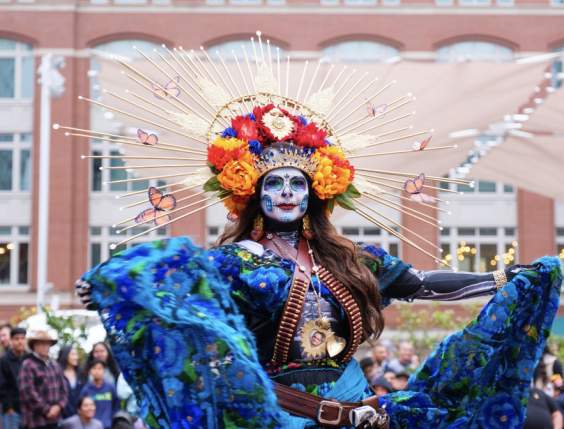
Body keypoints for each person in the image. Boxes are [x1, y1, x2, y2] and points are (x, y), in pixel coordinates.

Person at [70, 40, 562, 429]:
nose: (286, 192)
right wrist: (113, 287)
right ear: (252, 194)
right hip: (280, 414)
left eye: (297, 184)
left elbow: (420, 283)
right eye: (274, 183)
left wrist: (501, 279)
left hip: (360, 412)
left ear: (315, 193)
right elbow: (178, 291)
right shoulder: (235, 260)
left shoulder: (348, 257)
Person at [18, 330, 68, 429]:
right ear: (34, 345)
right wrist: (46, 410)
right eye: (42, 343)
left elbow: (64, 389)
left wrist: (59, 407)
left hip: (55, 420)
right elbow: (28, 392)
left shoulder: (55, 364)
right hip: (35, 421)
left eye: (47, 344)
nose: (45, 347)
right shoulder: (28, 364)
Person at [0, 327, 27, 429]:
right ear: (11, 341)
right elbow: (2, 385)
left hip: (28, 410)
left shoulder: (28, 358)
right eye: (17, 339)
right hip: (12, 411)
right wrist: (8, 407)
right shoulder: (4, 360)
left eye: (22, 338)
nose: (20, 342)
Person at [80, 360, 119, 429]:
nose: (97, 371)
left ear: (104, 371)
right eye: (94, 368)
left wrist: (112, 419)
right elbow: (81, 409)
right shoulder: (86, 390)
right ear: (90, 371)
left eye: (99, 368)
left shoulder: (110, 387)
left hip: (108, 425)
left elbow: (116, 404)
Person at [58, 345, 85, 419]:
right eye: (73, 354)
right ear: (65, 355)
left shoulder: (81, 374)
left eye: (76, 354)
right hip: (62, 416)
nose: (76, 357)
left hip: (80, 415)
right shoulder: (58, 373)